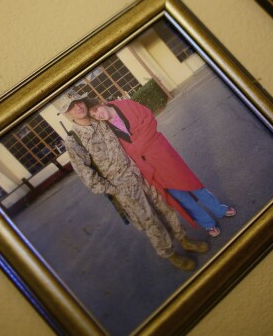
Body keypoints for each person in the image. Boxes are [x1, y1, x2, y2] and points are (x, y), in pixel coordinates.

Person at [55, 90, 208, 272]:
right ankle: (170, 253)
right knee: (149, 220)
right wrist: (113, 189)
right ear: (66, 113)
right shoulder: (74, 141)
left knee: (164, 205)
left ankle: (184, 239)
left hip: (139, 172)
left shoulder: (99, 118)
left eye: (78, 101)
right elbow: (86, 174)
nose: (78, 107)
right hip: (122, 187)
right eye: (71, 107)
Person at [87, 98, 236, 238]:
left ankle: (219, 209)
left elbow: (149, 121)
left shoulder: (127, 104)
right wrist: (138, 145)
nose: (98, 114)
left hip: (162, 154)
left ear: (100, 103)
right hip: (148, 166)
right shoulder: (107, 130)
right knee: (179, 196)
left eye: (96, 109)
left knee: (192, 184)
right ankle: (207, 223)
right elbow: (122, 150)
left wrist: (137, 147)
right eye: (93, 115)